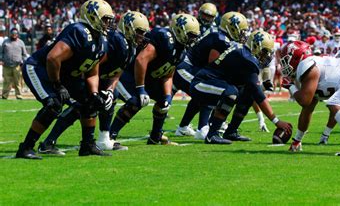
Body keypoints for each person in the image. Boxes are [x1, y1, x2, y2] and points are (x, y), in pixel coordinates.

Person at [38, 11, 150, 154]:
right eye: (140, 31)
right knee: (81, 106)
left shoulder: (130, 47)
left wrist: (109, 90)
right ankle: (49, 142)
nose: (142, 36)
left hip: (101, 79)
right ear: (128, 28)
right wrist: (94, 88)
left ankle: (104, 139)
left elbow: (117, 72)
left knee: (110, 97)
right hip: (88, 77)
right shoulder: (117, 40)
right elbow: (93, 62)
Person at [15, 0, 114, 159]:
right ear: (92, 17)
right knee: (54, 105)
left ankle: (88, 145)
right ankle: (25, 148)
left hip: (64, 75)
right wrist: (57, 85)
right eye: (105, 19)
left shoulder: (102, 42)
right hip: (39, 68)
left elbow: (92, 72)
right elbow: (53, 58)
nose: (108, 23)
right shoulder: (79, 31)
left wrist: (94, 94)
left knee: (90, 102)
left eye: (109, 20)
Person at [109, 13, 200, 145]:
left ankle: (155, 136)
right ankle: (110, 136)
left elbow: (168, 75)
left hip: (149, 79)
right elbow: (141, 60)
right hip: (129, 73)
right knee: (136, 101)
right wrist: (140, 89)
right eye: (190, 35)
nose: (192, 39)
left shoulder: (181, 50)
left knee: (163, 102)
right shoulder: (165, 37)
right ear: (180, 30)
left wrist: (168, 96)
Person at [190, 30, 292, 144]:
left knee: (248, 94)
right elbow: (259, 94)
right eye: (264, 51)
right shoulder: (247, 58)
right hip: (201, 83)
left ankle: (231, 131)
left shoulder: (244, 53)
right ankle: (212, 134)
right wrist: (276, 121)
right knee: (231, 93)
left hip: (214, 82)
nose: (265, 56)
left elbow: (253, 90)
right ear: (255, 46)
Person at [174, 12, 249, 139]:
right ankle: (203, 128)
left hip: (192, 69)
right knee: (210, 91)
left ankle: (183, 127)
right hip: (187, 69)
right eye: (240, 30)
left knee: (200, 96)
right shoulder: (221, 40)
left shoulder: (220, 35)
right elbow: (213, 65)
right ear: (230, 27)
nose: (242, 34)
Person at [1, 28, 28, 99]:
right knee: (6, 82)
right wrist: (1, 59)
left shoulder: (21, 42)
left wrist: (23, 62)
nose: (14, 35)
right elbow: (1, 53)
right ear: (10, 34)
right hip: (6, 65)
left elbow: (24, 54)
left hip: (17, 66)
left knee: (18, 82)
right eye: (12, 33)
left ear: (17, 34)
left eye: (15, 34)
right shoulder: (5, 42)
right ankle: (4, 96)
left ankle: (19, 95)